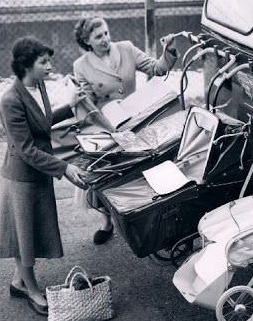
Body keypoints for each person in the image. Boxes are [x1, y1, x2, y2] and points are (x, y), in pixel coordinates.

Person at [0, 37, 88, 316]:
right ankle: (31, 289)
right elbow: (25, 149)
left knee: (29, 232)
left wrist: (71, 106)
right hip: (23, 176)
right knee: (24, 236)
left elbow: (43, 121)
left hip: (40, 171)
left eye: (49, 61)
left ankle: (18, 282)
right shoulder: (10, 100)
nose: (50, 66)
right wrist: (66, 168)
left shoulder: (39, 86)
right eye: (43, 62)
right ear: (26, 65)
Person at [72, 16, 178, 244]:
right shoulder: (80, 66)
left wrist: (168, 51)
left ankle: (149, 215)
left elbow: (156, 68)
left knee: (145, 168)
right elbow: (87, 104)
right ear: (86, 40)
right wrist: (81, 101)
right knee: (105, 174)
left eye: (106, 33)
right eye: (98, 36)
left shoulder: (126, 48)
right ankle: (107, 221)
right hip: (106, 125)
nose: (105, 39)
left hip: (137, 119)